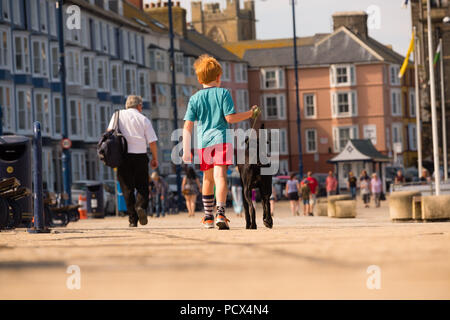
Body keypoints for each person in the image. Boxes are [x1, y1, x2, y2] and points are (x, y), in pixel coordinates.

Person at [182, 54, 258, 230]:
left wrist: (186, 150)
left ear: (200, 78)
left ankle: (208, 217)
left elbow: (187, 126)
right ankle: (221, 213)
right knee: (220, 177)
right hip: (221, 141)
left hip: (204, 143)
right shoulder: (223, 93)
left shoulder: (194, 98)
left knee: (207, 179)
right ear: (219, 77)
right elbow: (230, 119)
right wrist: (250, 113)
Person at [108, 95, 158, 228]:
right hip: (140, 156)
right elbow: (152, 142)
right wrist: (155, 158)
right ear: (139, 106)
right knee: (142, 186)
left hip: (123, 157)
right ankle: (141, 206)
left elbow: (109, 133)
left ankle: (132, 219)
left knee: (127, 188)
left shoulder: (117, 115)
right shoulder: (144, 119)